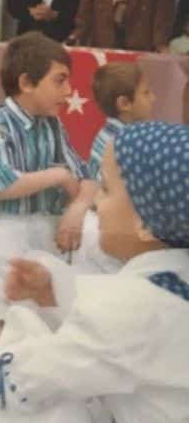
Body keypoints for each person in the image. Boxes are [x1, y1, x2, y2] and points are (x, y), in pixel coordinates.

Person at [0, 121, 189, 423]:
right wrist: (53, 294)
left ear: (147, 220)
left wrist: (14, 346)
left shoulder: (135, 307)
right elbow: (131, 338)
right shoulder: (173, 284)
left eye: (106, 189)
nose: (95, 203)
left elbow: (39, 376)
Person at [0, 32, 96, 423]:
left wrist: (78, 205)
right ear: (25, 81)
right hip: (10, 236)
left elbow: (86, 178)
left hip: (46, 234)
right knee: (12, 351)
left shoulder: (53, 126)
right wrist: (60, 178)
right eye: (60, 80)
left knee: (43, 350)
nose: (67, 91)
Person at [73, 62, 156, 275]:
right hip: (107, 229)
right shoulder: (126, 143)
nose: (153, 98)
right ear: (124, 103)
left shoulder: (113, 135)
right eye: (146, 93)